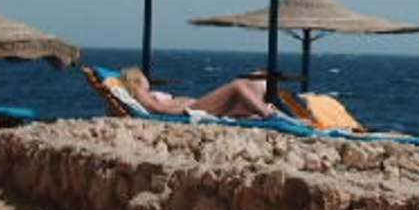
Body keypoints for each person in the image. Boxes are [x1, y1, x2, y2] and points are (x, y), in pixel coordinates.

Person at [119, 67, 297, 123]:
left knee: (257, 78)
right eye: (143, 75)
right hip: (190, 110)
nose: (147, 77)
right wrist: (185, 110)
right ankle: (270, 115)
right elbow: (158, 109)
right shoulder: (140, 92)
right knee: (238, 86)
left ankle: (286, 114)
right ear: (137, 79)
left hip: (194, 106)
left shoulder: (148, 93)